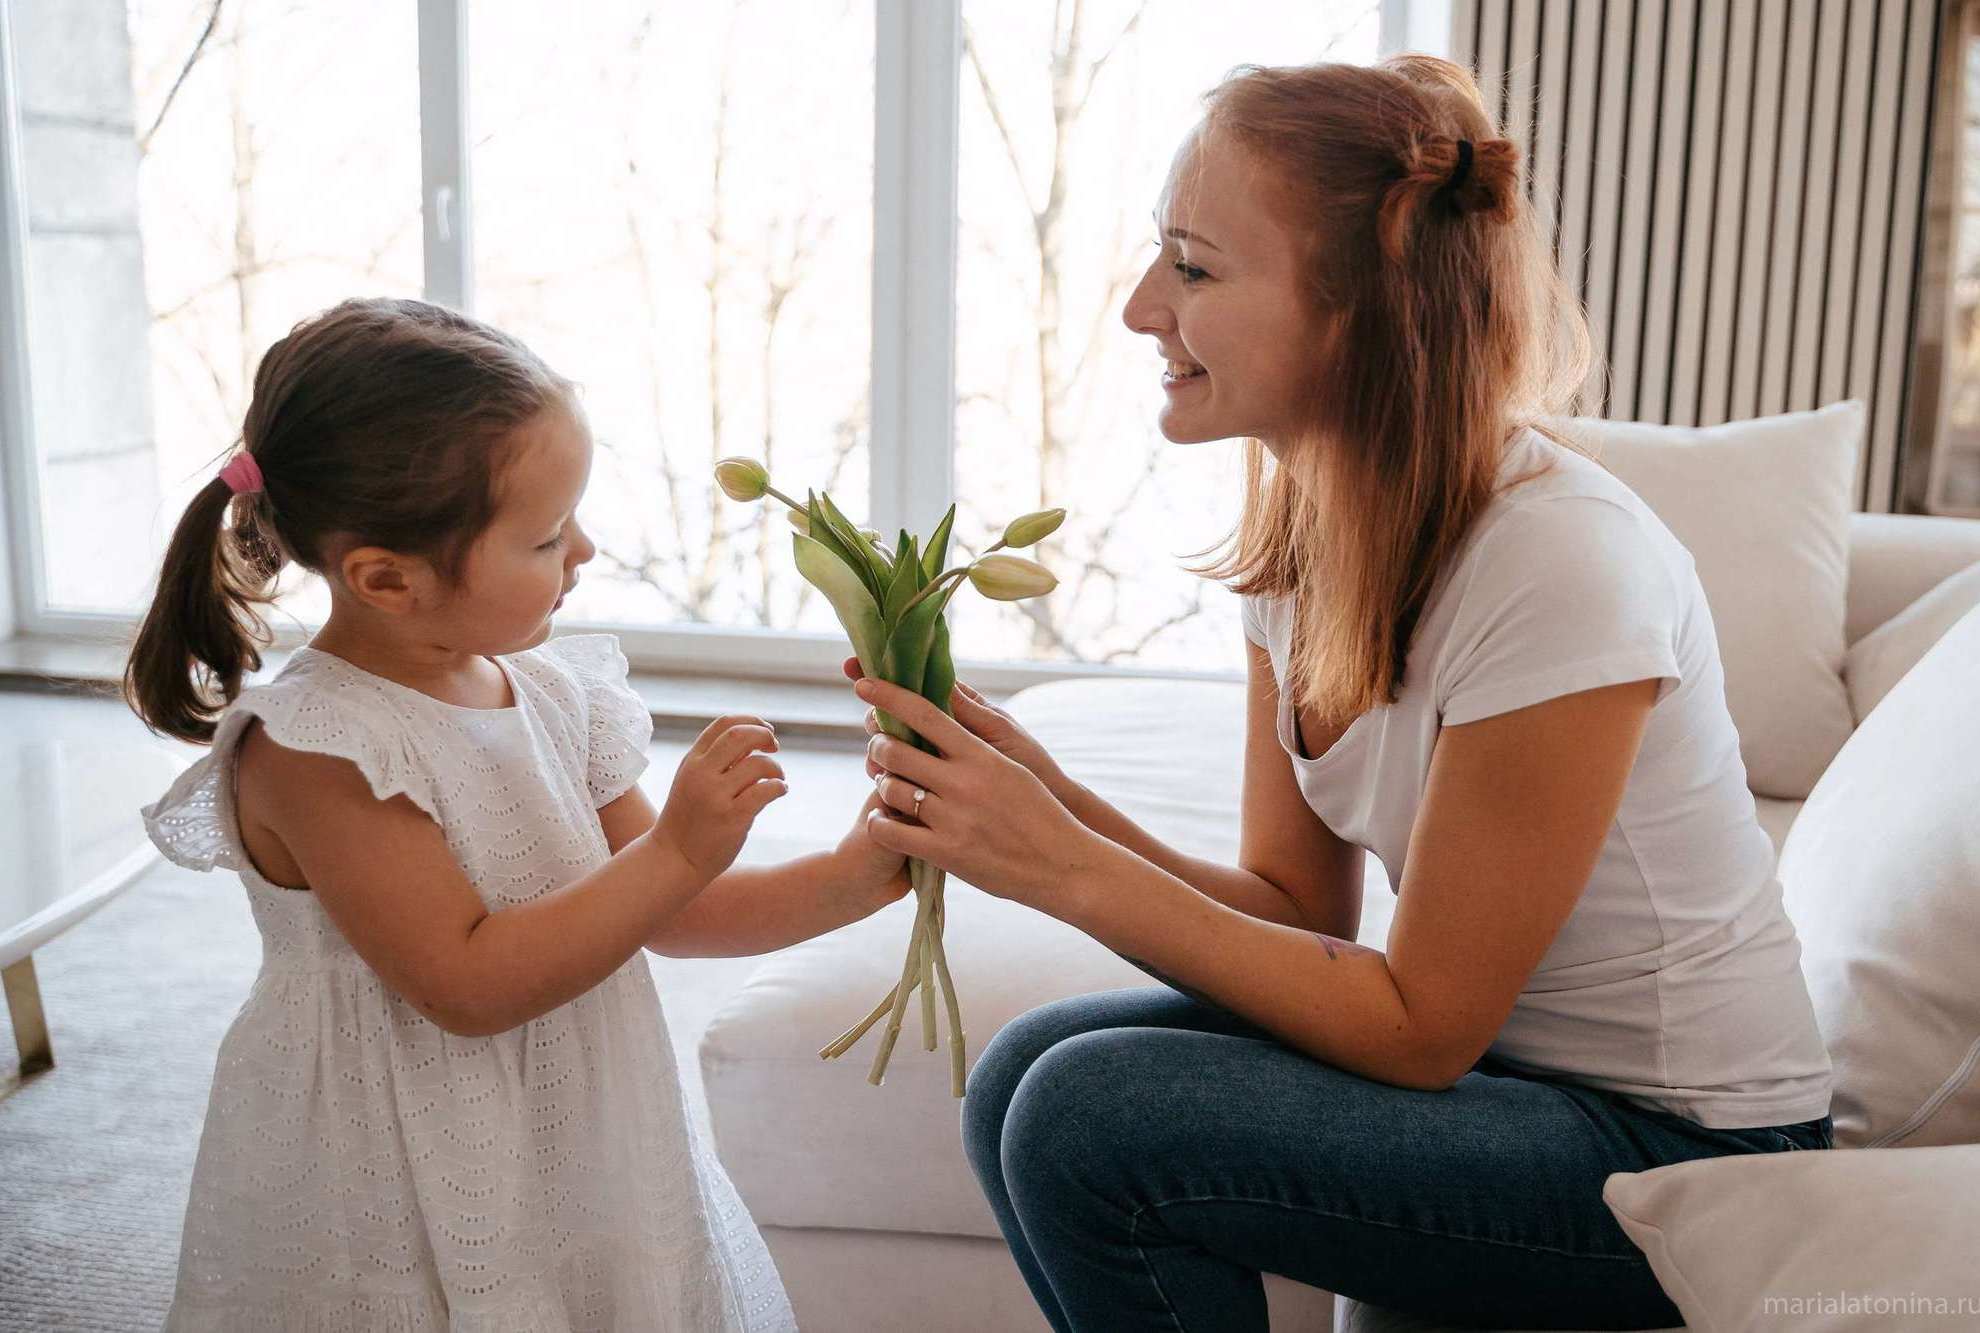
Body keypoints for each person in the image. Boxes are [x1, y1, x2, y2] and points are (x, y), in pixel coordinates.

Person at [853, 55, 1834, 1331]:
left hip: (1685, 1155)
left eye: (1193, 268)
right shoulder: (1308, 528)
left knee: (1090, 1117)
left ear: (1360, 306)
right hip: (1512, 1088)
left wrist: (1060, 867)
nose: (1142, 308)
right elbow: (1290, 908)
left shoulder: (1558, 562)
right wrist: (1052, 799)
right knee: (1025, 1074)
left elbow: (1418, 1026)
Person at [130, 297, 906, 1331]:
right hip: (402, 1156)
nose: (583, 549)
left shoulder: (550, 687)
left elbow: (665, 915)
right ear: (385, 578)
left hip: (577, 1122)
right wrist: (678, 846)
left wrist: (861, 871)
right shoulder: (322, 748)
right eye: (545, 536)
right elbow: (466, 983)